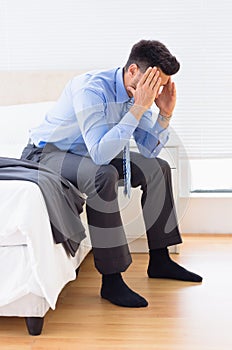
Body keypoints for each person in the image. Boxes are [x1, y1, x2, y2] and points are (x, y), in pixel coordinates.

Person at [21, 39, 202, 308]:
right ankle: (112, 280)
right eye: (151, 83)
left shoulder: (133, 94)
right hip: (48, 155)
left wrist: (164, 114)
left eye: (159, 85)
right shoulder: (91, 90)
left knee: (157, 168)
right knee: (102, 174)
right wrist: (139, 108)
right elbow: (100, 156)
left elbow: (149, 150)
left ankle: (161, 260)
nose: (153, 92)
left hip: (86, 155)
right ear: (132, 71)